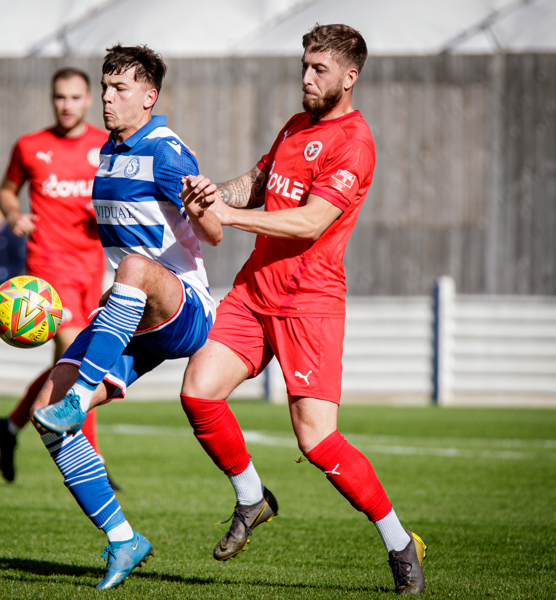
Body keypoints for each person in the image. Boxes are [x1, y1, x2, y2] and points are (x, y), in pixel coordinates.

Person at [178, 24, 427, 595]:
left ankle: (398, 541)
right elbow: (261, 181)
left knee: (315, 440)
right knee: (198, 391)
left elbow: (311, 221)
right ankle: (251, 498)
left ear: (349, 75)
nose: (306, 78)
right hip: (254, 291)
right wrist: (211, 191)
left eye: (319, 69)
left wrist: (231, 217)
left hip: (308, 302)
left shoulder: (354, 143)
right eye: (305, 66)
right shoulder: (297, 125)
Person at [29, 44, 221, 590]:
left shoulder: (166, 151)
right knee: (47, 413)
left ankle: (80, 397)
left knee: (134, 267)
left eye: (119, 89)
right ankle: (122, 539)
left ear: (149, 96)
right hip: (130, 314)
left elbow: (214, 233)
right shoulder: (110, 152)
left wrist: (203, 205)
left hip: (184, 305)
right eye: (106, 87)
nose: (107, 99)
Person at [0, 67, 110, 485]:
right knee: (79, 358)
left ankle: (10, 426)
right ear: (51, 98)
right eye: (60, 97)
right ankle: (92, 462)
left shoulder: (106, 145)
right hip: (47, 269)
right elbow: (7, 189)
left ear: (89, 100)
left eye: (75, 97)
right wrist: (13, 213)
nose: (67, 105)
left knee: (68, 362)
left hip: (92, 268)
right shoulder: (30, 146)